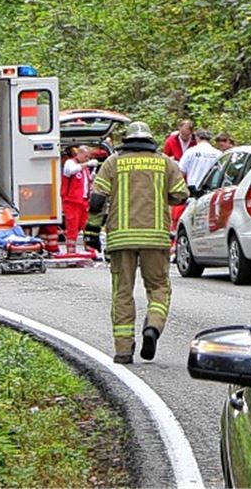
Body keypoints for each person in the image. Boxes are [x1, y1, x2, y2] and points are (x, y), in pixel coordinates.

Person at [86, 122, 188, 364]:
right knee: (158, 288)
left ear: (127, 140)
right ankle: (152, 326)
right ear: (150, 140)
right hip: (155, 237)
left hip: (121, 238)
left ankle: (123, 350)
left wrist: (91, 231)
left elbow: (97, 200)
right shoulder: (165, 162)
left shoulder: (113, 162)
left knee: (122, 292)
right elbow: (181, 194)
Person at [60, 145, 98, 253]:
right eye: (86, 156)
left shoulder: (84, 168)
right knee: (72, 228)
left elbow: (85, 183)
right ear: (79, 154)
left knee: (87, 227)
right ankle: (71, 252)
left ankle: (90, 250)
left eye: (89, 157)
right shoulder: (70, 163)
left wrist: (92, 177)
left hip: (83, 201)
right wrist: (86, 164)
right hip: (72, 202)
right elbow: (71, 171)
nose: (87, 159)